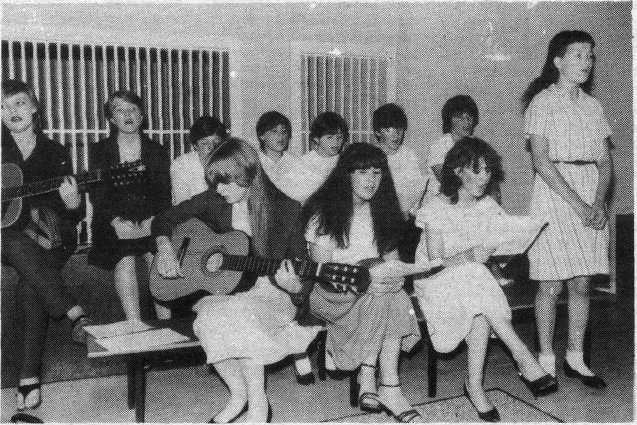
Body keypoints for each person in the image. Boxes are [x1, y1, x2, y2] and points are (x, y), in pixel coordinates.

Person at [152, 138, 322, 423]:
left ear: (249, 177)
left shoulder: (286, 209)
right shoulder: (216, 199)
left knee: (238, 315)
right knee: (209, 320)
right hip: (226, 291)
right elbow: (164, 219)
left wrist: (295, 288)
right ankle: (238, 394)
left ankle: (258, 406)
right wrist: (165, 246)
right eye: (215, 182)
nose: (218, 189)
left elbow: (303, 271)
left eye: (226, 182)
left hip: (274, 292)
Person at [413, 137, 558, 422]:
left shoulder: (488, 205)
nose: (484, 177)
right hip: (435, 284)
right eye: (476, 170)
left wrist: (514, 240)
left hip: (472, 287)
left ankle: (476, 387)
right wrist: (471, 255)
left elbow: (503, 243)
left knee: (479, 304)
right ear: (457, 171)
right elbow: (433, 264)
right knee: (475, 275)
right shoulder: (436, 207)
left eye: (488, 171)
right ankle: (522, 356)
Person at [302, 143, 423, 423]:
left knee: (389, 288)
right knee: (382, 288)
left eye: (378, 172)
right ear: (346, 174)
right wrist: (367, 280)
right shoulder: (324, 212)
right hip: (330, 295)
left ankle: (380, 380)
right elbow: (323, 273)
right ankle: (378, 379)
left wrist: (394, 275)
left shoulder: (383, 211)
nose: (372, 179)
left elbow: (392, 262)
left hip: (374, 294)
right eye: (363, 171)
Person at [522, 30, 612, 388]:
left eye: (590, 56)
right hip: (555, 196)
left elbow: (605, 162)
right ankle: (545, 359)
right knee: (551, 285)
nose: (587, 62)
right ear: (557, 61)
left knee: (582, 282)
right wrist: (578, 204)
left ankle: (575, 357)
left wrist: (598, 202)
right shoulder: (541, 103)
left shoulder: (594, 107)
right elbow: (542, 162)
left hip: (591, 193)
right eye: (578, 55)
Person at [1, 79, 91, 411]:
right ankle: (74, 311)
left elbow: (76, 214)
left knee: (30, 286)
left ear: (35, 107)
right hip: (4, 237)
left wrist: (71, 202)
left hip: (48, 236)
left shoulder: (55, 152)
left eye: (19, 104)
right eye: (3, 107)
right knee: (7, 236)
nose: (12, 112)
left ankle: (28, 379)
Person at [88, 90, 172, 321]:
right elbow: (98, 193)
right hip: (112, 219)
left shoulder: (157, 150)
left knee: (158, 257)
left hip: (149, 217)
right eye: (119, 109)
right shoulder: (99, 150)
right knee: (124, 258)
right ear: (112, 119)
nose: (127, 114)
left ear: (142, 115)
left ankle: (169, 325)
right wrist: (116, 221)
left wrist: (152, 220)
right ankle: (134, 325)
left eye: (132, 109)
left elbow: (163, 194)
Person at [426, 95, 502, 202]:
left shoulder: (477, 145)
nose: (467, 122)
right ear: (450, 119)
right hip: (441, 203)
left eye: (469, 117)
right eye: (461, 118)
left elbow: (491, 181)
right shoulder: (439, 146)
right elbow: (448, 180)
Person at [274, 111, 347, 203]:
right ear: (316, 138)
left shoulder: (344, 162)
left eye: (339, 137)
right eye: (329, 137)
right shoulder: (304, 162)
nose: (336, 142)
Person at [372, 103, 430, 217]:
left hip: (405, 216)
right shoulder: (371, 155)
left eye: (399, 129)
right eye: (388, 129)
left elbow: (416, 189)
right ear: (377, 132)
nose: (396, 135)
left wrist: (409, 212)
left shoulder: (408, 154)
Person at [171, 116, 228, 205]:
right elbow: (183, 205)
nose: (212, 147)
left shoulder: (230, 163)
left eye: (216, 142)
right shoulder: (181, 165)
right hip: (188, 216)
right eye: (205, 143)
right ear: (195, 146)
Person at [255, 111, 299, 184]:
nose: (280, 136)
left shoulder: (295, 163)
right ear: (261, 136)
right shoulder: (253, 163)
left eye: (284, 131)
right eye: (274, 131)